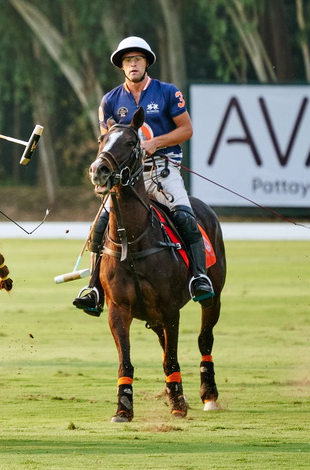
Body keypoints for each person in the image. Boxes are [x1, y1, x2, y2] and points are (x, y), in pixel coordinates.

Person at [72, 36, 214, 316]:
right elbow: (106, 138)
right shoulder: (111, 100)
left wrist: (156, 143)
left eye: (137, 59)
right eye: (127, 60)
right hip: (125, 178)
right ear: (122, 66)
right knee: (99, 227)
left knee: (185, 217)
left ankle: (199, 277)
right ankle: (94, 289)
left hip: (162, 171)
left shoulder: (167, 92)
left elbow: (186, 130)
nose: (133, 64)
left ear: (146, 63)